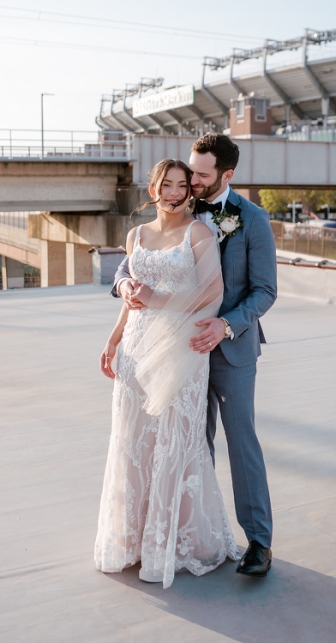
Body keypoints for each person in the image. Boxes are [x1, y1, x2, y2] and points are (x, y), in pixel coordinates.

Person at [111, 134, 277, 578]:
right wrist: (122, 283)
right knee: (183, 446)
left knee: (241, 443)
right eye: (190, 172)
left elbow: (265, 291)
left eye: (202, 175)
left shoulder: (252, 220)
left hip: (229, 347)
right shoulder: (180, 207)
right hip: (174, 349)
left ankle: (259, 540)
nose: (192, 183)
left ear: (227, 174)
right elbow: (135, 261)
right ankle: (189, 534)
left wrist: (226, 325)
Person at [94, 158, 241, 587]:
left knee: (177, 440)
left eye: (182, 186)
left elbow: (213, 291)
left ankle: (179, 542)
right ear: (153, 188)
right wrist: (114, 338)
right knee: (133, 443)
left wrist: (157, 300)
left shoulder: (198, 232)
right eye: (167, 185)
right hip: (136, 350)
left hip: (180, 348)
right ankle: (136, 542)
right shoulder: (136, 235)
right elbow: (131, 296)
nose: (175, 193)